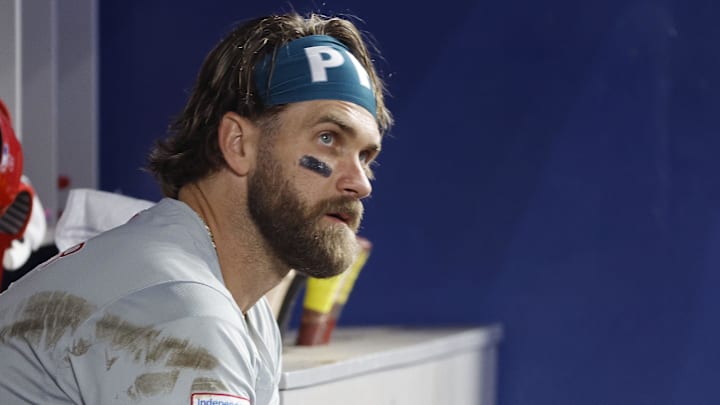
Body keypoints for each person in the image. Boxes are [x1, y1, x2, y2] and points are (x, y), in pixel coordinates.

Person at [0, 11, 392, 405]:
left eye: (366, 155)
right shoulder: (179, 309)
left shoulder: (236, 307)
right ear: (238, 144)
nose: (360, 182)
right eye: (328, 138)